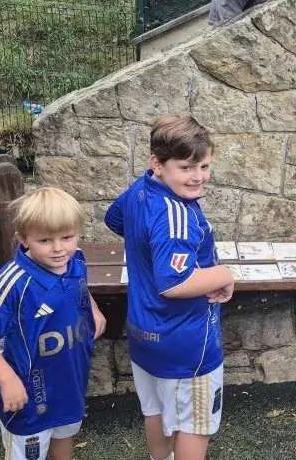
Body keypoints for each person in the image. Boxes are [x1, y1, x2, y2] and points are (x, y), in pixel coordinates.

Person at [104, 116, 236, 460]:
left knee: (157, 411)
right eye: (187, 167)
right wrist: (224, 274)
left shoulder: (141, 189)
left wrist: (149, 250)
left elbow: (114, 218)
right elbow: (175, 283)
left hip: (144, 332)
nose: (199, 176)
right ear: (157, 164)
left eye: (204, 165)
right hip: (185, 342)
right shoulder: (177, 215)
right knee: (195, 424)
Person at [0, 187, 107, 460]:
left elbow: (80, 288)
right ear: (23, 239)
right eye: (45, 240)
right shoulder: (13, 281)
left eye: (67, 237)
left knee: (64, 438)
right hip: (30, 395)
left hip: (69, 382)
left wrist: (93, 309)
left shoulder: (77, 260)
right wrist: (7, 381)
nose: (59, 248)